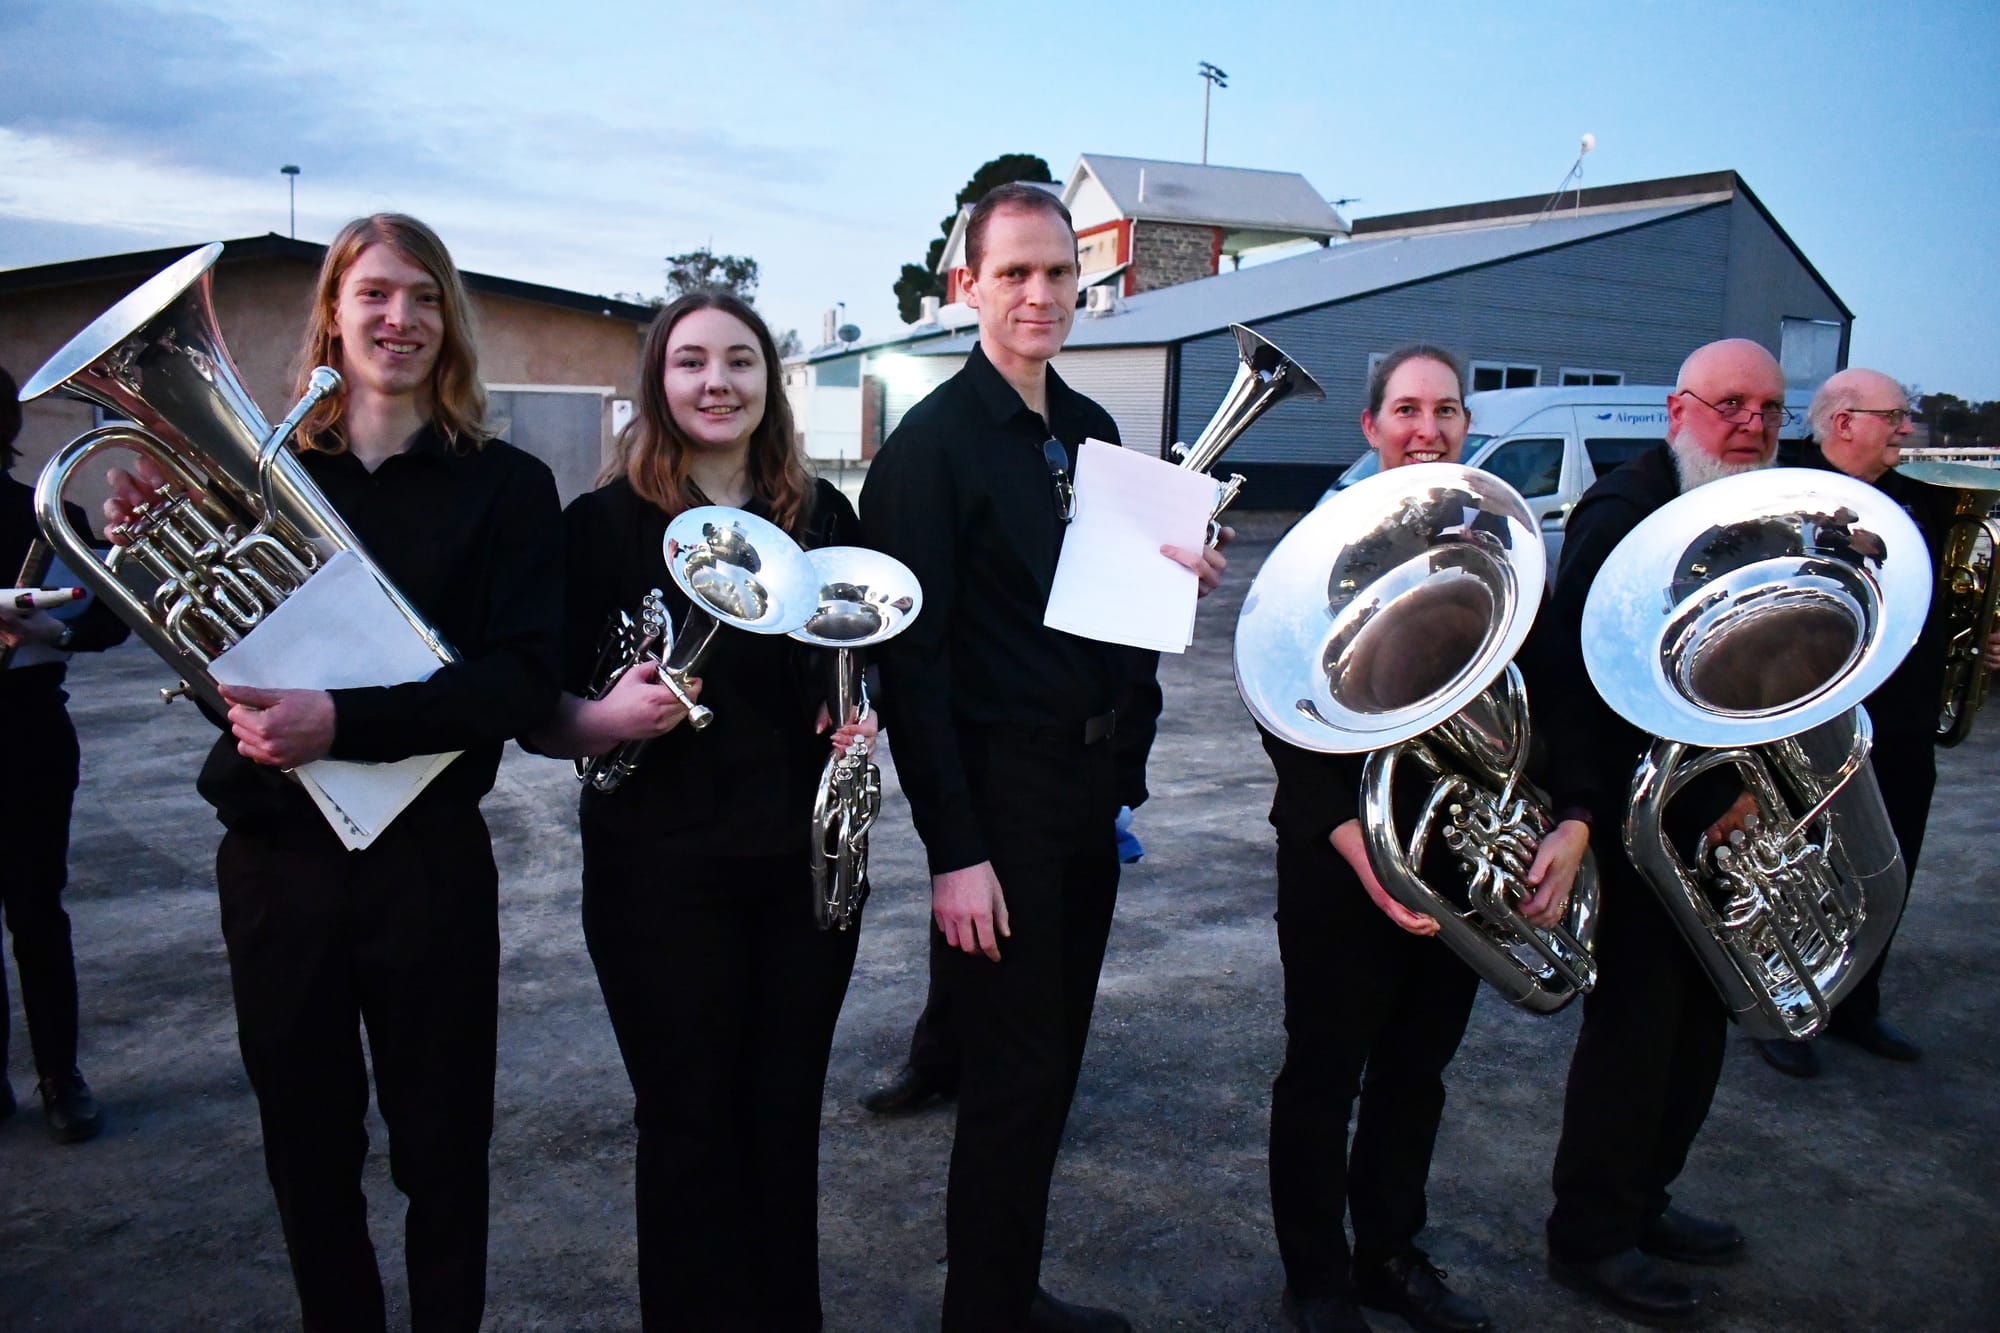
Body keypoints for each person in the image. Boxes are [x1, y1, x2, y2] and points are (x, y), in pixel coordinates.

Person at [102, 214, 563, 1331]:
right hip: (276, 865)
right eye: (372, 296)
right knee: (307, 1155)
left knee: (444, 1153)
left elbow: (518, 684)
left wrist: (338, 721)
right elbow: (221, 665)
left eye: (420, 296)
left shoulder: (506, 485)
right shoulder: (255, 478)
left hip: (430, 864)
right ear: (335, 315)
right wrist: (149, 553)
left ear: (447, 319)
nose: (397, 318)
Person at [860, 181, 1223, 1333]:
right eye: (1012, 272)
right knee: (1011, 1083)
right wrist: (955, 853)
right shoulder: (928, 451)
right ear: (964, 285)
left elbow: (1115, 633)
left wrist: (1176, 586)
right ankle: (984, 1311)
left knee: (1051, 1065)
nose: (1038, 294)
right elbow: (910, 677)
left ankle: (1007, 1291)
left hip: (1080, 794)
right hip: (999, 801)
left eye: (1057, 273)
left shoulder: (1095, 435)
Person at [528, 290, 873, 1330]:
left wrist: (857, 721)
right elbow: (536, 715)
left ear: (769, 384)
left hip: (800, 876)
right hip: (654, 879)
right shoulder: (595, 529)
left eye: (739, 361)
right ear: (657, 383)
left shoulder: (822, 519)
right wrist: (604, 717)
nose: (715, 381)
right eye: (690, 362)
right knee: (685, 1128)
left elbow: (849, 670)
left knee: (780, 1121)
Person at [1260, 346, 1586, 1333]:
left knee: (1415, 1070)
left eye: (1445, 409)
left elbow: (1554, 696)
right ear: (1369, 427)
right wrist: (1364, 851)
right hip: (1342, 856)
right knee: (1323, 1071)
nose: (1426, 428)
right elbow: (1282, 709)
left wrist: (1569, 818)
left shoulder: (1498, 543)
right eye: (1405, 409)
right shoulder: (1321, 548)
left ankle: (1388, 1254)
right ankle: (1315, 1279)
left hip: (1457, 853)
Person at [1539, 338, 1789, 1325]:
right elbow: (1588, 687)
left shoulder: (1750, 510)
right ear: (1677, 411)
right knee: (1634, 1036)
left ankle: (1643, 1200)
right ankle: (1589, 1235)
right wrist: (1617, 812)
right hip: (1643, 826)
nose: (1750, 425)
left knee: (1697, 1030)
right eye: (1729, 404)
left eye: (1767, 408)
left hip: (1724, 816)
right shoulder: (1622, 512)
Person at [1756, 368, 2000, 1077]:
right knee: (1797, 870)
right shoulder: (1782, 488)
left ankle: (1855, 1003)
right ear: (1842, 423)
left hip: (1903, 726)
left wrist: (1981, 640)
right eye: (1894, 416)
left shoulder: (1923, 503)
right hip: (1808, 726)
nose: (1906, 429)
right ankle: (1780, 1004)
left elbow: (1943, 607)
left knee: (1886, 868)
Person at [1, 363, 131, 1143]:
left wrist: (58, 632)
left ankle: (60, 1076)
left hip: (24, 734)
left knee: (35, 907)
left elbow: (113, 623)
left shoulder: (45, 516)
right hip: (29, 732)